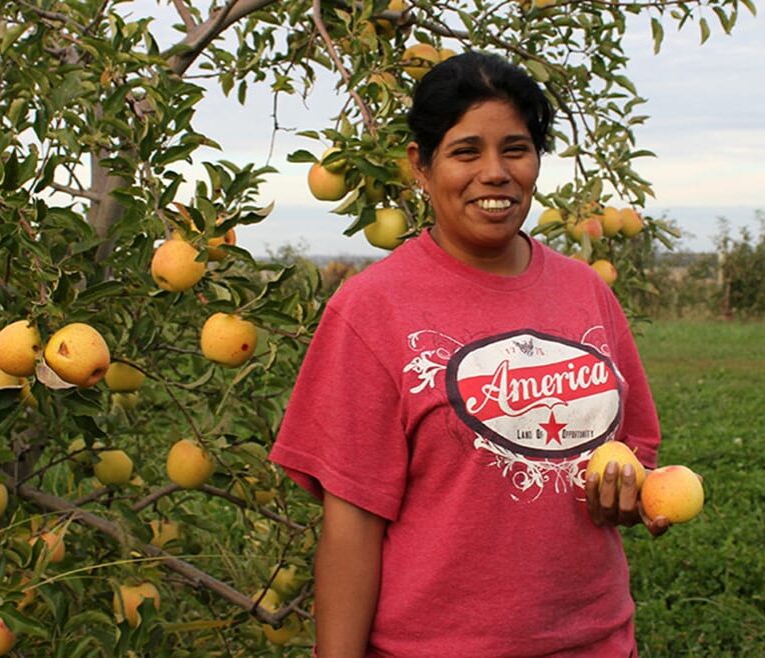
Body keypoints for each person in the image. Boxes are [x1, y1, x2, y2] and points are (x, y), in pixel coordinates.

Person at [268, 51, 669, 657]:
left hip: (598, 641)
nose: (495, 173)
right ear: (420, 168)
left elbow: (631, 457)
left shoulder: (585, 290)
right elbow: (351, 531)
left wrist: (631, 495)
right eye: (464, 152)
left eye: (515, 149)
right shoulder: (373, 310)